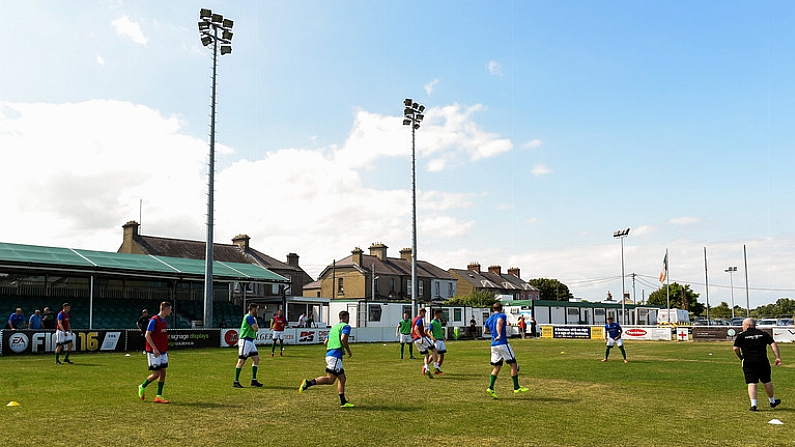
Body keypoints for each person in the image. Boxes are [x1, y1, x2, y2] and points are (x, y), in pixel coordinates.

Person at [298, 310, 354, 408]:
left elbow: (325, 342)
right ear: (346, 318)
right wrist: (348, 350)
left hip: (329, 354)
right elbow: (343, 339)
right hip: (335, 356)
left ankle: (343, 401)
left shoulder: (333, 328)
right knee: (339, 378)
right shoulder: (345, 326)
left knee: (333, 379)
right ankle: (307, 383)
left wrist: (336, 348)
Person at [733, 318, 781, 411]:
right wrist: (777, 357)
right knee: (767, 381)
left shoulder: (741, 335)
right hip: (763, 361)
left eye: (743, 325)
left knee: (752, 383)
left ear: (747, 325)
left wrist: (740, 356)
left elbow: (735, 348)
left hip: (748, 362)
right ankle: (772, 401)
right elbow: (773, 344)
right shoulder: (763, 334)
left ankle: (754, 405)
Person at [484, 302, 528, 399]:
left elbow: (485, 330)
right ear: (501, 309)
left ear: (493, 309)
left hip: (493, 345)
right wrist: (499, 335)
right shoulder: (502, 316)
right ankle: (516, 387)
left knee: (497, 366)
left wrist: (493, 334)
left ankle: (490, 387)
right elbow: (499, 322)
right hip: (502, 343)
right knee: (513, 364)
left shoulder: (489, 318)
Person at [138, 301, 172, 404]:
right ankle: (142, 386)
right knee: (156, 373)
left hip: (162, 351)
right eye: (170, 309)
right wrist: (154, 348)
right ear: (165, 309)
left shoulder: (164, 321)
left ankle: (158, 396)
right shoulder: (154, 320)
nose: (171, 311)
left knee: (163, 372)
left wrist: (164, 350)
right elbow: (147, 335)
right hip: (154, 352)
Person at [233, 303, 264, 388]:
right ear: (252, 309)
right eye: (256, 309)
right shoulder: (249, 317)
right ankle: (236, 381)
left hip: (250, 341)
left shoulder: (250, 317)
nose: (257, 310)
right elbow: (256, 328)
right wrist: (256, 322)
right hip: (245, 341)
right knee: (241, 360)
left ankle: (254, 380)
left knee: (256, 359)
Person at [412, 308, 437, 379]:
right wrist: (421, 337)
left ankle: (427, 368)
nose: (424, 315)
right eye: (424, 314)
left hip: (416, 340)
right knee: (434, 349)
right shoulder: (419, 319)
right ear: (422, 312)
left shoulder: (413, 320)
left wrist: (414, 337)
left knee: (427, 354)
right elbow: (416, 328)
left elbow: (412, 330)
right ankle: (435, 366)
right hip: (421, 338)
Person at [429, 309, 446, 374]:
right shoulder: (432, 322)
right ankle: (426, 366)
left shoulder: (439, 321)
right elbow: (428, 332)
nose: (441, 315)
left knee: (442, 355)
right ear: (437, 314)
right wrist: (432, 337)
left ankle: (437, 369)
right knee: (434, 355)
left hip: (441, 340)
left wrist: (443, 336)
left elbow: (439, 330)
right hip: (436, 341)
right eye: (440, 314)